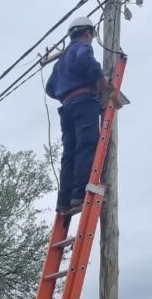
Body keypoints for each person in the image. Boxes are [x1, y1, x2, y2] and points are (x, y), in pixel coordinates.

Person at [45, 16, 109, 216]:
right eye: (91, 35)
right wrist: (100, 82)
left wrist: (66, 93)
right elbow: (86, 61)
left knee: (69, 153)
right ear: (88, 33)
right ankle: (79, 195)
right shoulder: (82, 48)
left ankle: (64, 202)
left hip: (66, 108)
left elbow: (50, 88)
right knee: (86, 146)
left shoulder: (61, 61)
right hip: (83, 103)